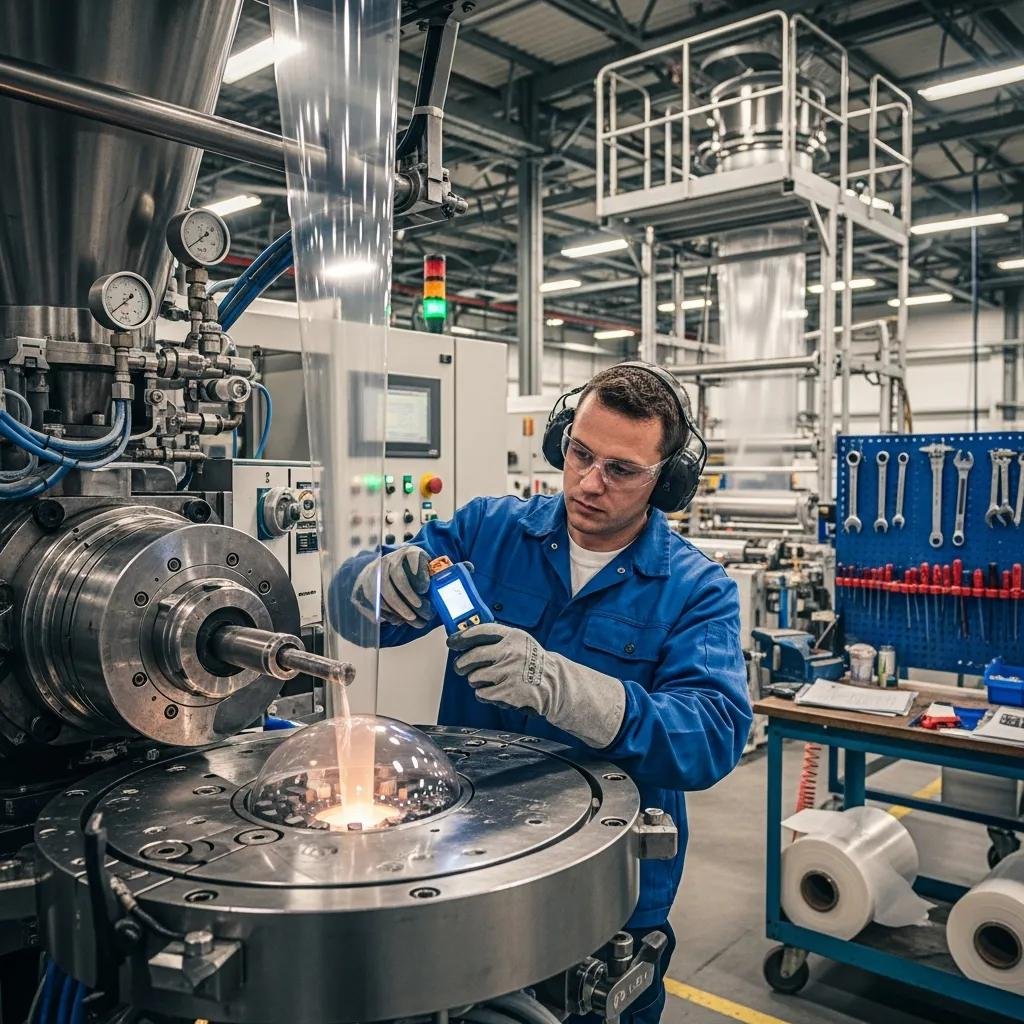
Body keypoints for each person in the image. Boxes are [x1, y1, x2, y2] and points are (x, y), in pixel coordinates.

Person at [332, 362, 751, 1024]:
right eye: (580, 454)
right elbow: (356, 614)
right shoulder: (488, 532)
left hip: (605, 892)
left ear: (665, 482)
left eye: (621, 470)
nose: (588, 483)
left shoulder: (696, 590)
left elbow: (710, 738)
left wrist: (561, 687)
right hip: (468, 860)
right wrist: (376, 580)